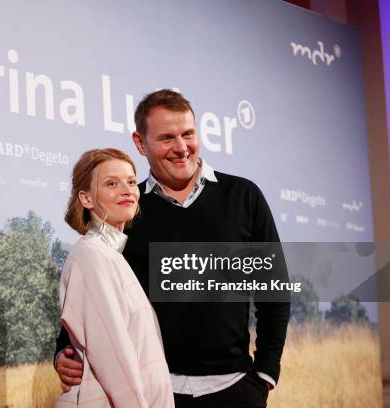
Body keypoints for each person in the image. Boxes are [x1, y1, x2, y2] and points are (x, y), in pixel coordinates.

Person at [55, 90, 290, 407]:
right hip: (157, 395)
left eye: (188, 134)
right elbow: (93, 291)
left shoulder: (244, 196)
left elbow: (273, 291)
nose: (181, 148)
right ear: (141, 143)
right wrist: (64, 350)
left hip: (236, 390)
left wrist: (264, 374)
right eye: (167, 137)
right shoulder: (125, 208)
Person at [55, 148, 174, 407]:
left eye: (131, 181)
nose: (127, 189)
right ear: (86, 199)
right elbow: (114, 359)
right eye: (112, 183)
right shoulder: (91, 256)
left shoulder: (112, 256)